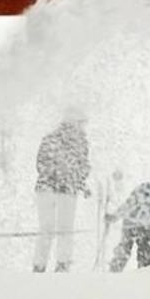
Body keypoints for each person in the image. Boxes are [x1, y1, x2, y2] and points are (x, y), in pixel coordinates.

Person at [33, 110, 90, 272]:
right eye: (81, 123)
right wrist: (61, 175)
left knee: (61, 228)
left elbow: (84, 166)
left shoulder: (80, 143)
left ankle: (59, 263)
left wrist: (81, 183)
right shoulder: (52, 140)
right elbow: (41, 164)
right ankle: (44, 264)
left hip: (64, 189)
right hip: (51, 189)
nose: (83, 127)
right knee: (49, 227)